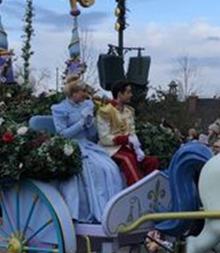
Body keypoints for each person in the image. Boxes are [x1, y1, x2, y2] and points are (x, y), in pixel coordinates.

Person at [52, 76, 125, 222]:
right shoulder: (59, 109)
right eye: (82, 91)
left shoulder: (87, 105)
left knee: (110, 168)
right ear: (73, 93)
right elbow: (62, 134)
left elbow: (92, 135)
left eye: (85, 91)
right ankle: (97, 212)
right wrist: (81, 122)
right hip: (70, 147)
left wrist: (91, 123)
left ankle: (113, 211)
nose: (85, 94)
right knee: (94, 170)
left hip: (87, 145)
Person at [97, 80, 159, 186]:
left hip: (128, 148)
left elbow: (132, 132)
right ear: (120, 94)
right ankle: (137, 190)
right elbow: (104, 138)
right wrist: (125, 139)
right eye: (128, 92)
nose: (131, 95)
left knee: (151, 161)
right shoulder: (105, 111)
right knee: (128, 159)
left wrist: (137, 148)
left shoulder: (129, 111)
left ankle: (151, 189)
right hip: (111, 149)